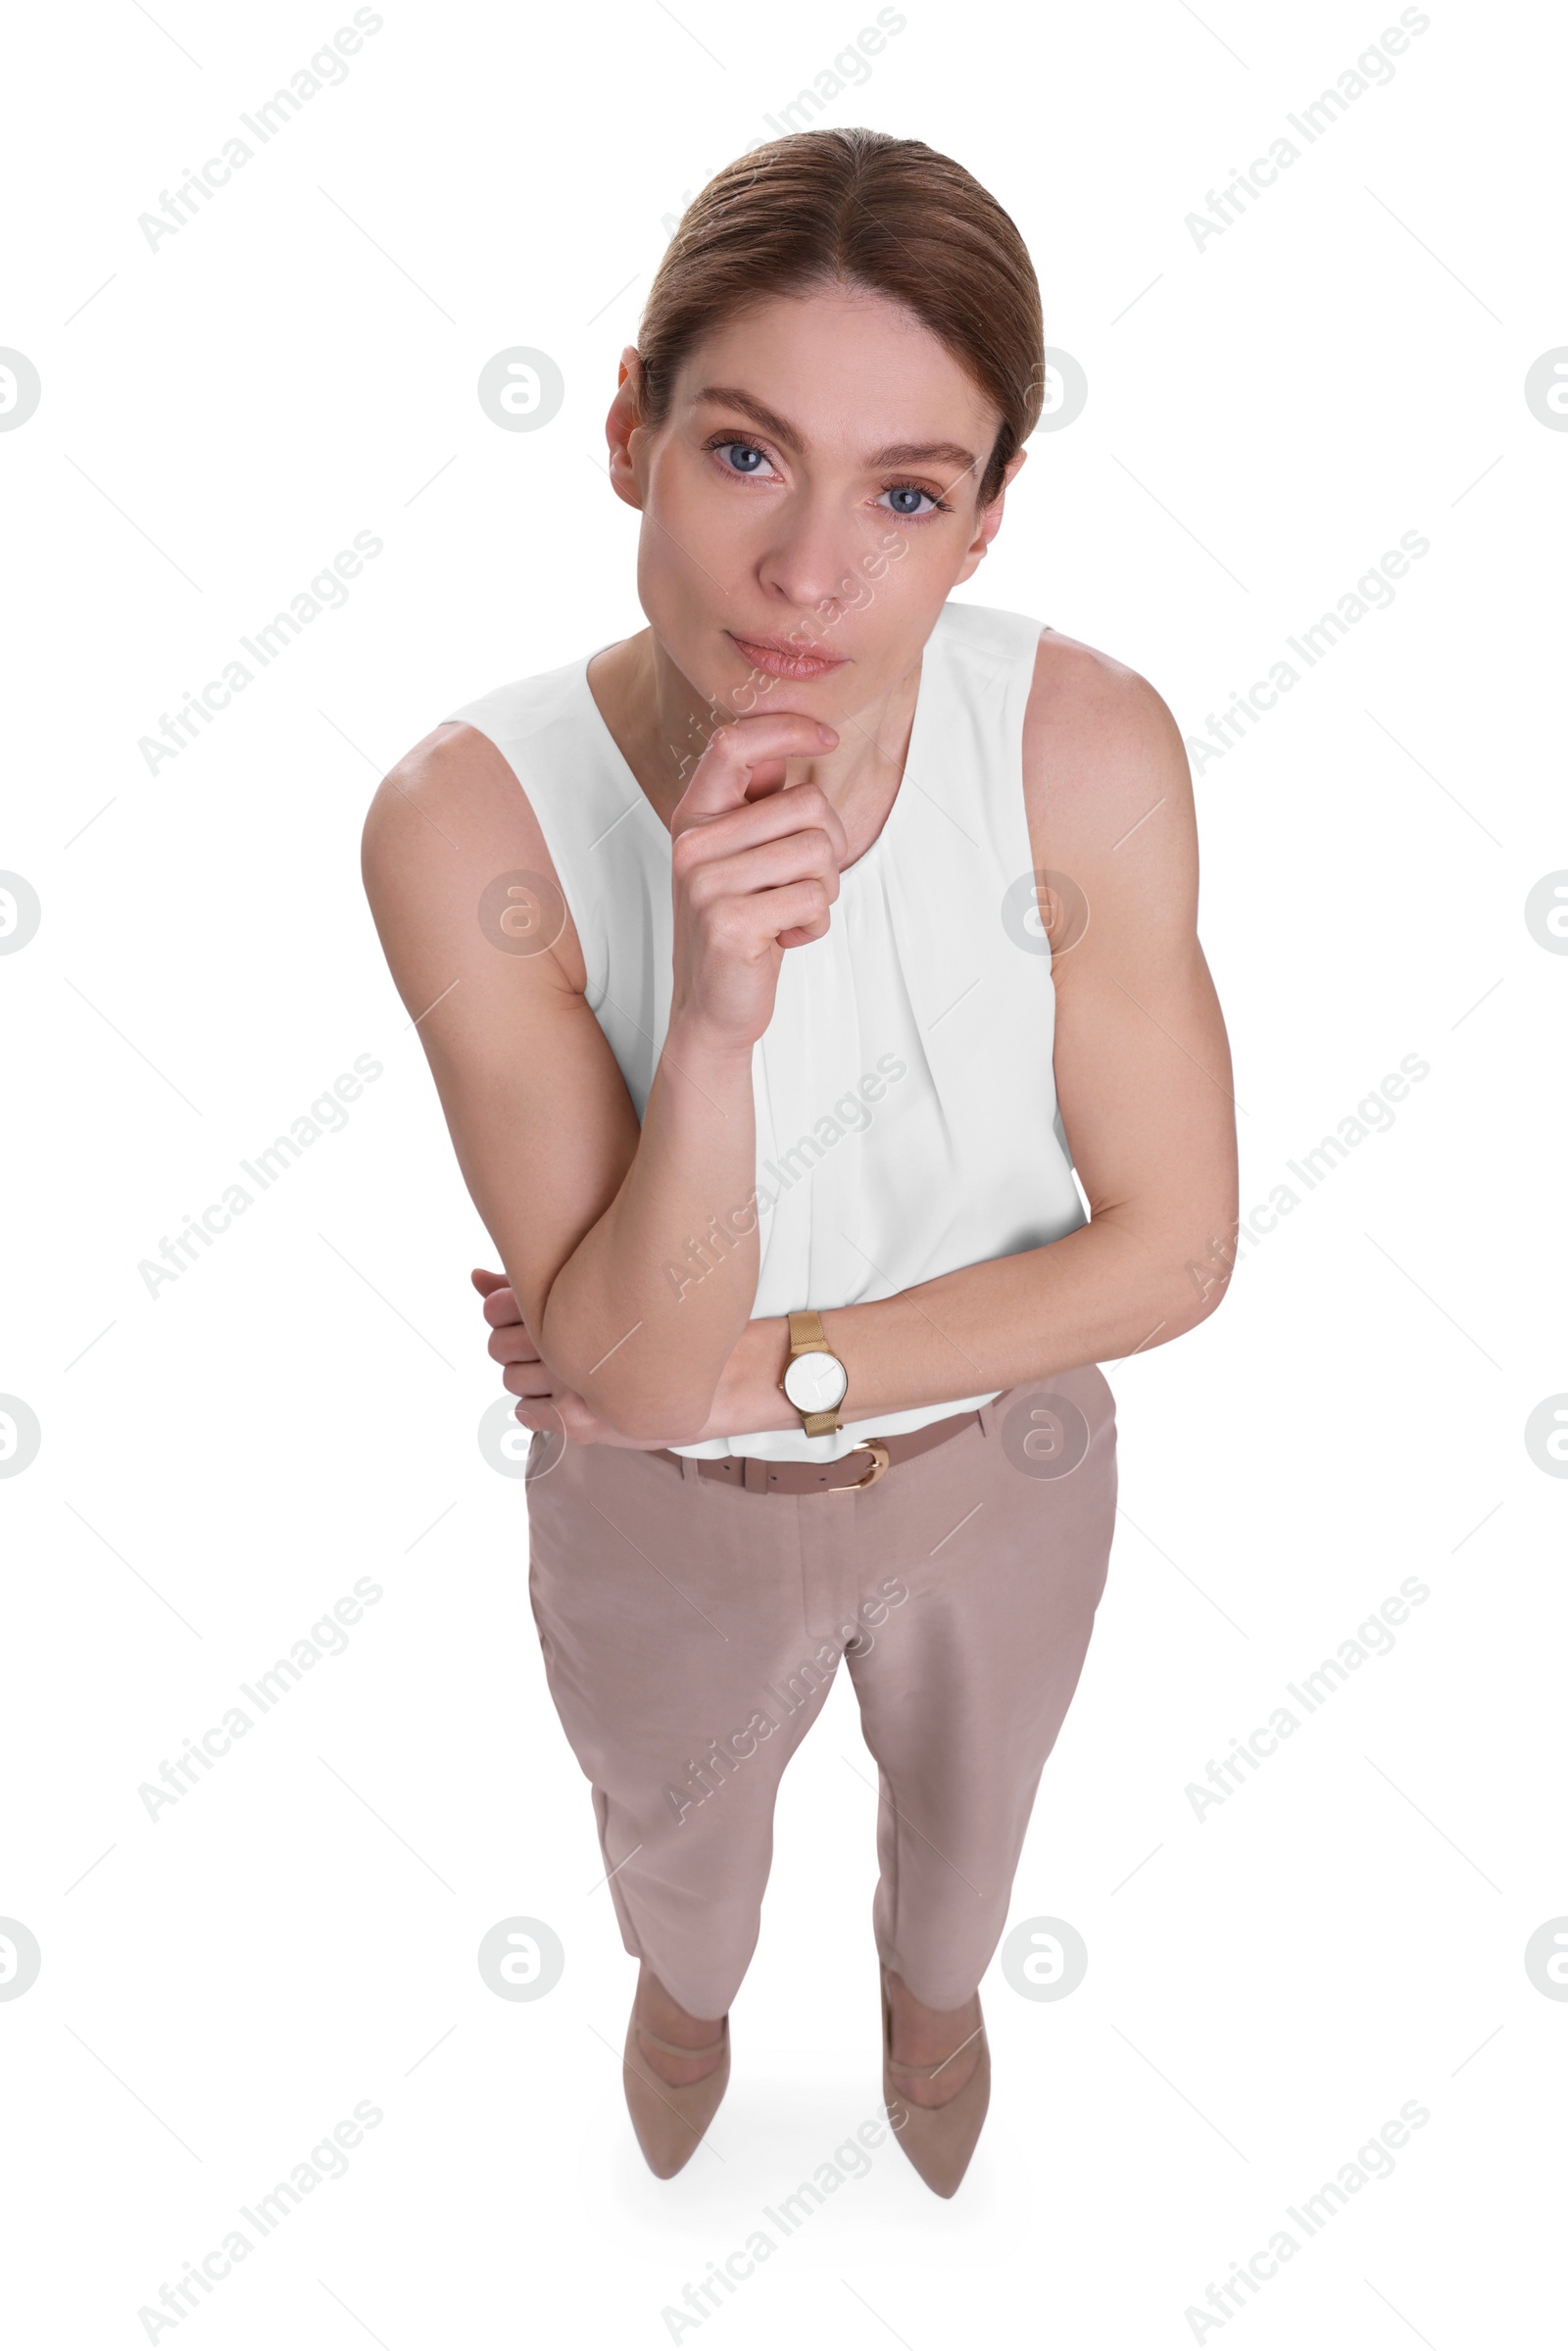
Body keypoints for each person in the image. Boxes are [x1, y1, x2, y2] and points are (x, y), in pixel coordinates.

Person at [361, 126, 1237, 2195]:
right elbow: (636, 1400)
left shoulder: (1084, 750)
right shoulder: (463, 822)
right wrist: (720, 1018)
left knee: (964, 1850)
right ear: (627, 436)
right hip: (662, 1523)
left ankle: (928, 2025)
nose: (811, 576)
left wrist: (755, 1372)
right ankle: (688, 2007)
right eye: (745, 455)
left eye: (905, 493)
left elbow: (1176, 1248)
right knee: (679, 1865)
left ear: (984, 520)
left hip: (999, 1471)